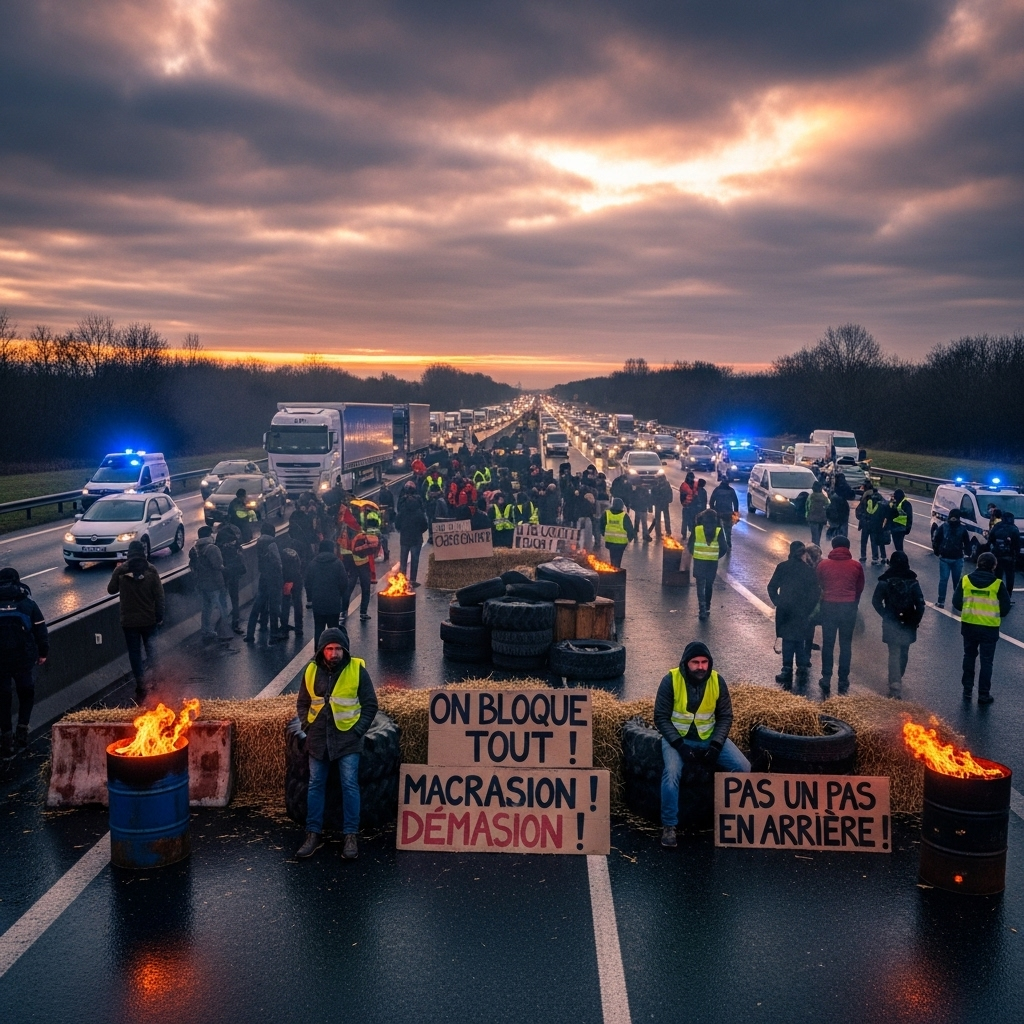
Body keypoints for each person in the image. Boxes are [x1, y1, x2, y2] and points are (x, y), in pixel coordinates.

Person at [653, 640, 751, 848]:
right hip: (677, 739)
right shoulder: (670, 680)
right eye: (696, 662)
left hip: (709, 737)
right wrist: (680, 746)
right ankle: (669, 826)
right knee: (671, 775)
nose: (701, 667)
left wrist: (716, 745)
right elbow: (661, 717)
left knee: (743, 768)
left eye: (705, 662)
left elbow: (725, 716)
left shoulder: (717, 681)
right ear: (685, 663)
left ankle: (730, 819)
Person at [295, 626, 378, 861]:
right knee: (315, 785)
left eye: (338, 648)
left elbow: (370, 705)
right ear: (322, 650)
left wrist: (358, 732)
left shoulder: (357, 670)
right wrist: (306, 726)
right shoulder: (311, 670)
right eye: (329, 648)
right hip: (318, 738)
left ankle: (350, 835)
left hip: (347, 739)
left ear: (345, 649)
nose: (334, 653)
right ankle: (313, 834)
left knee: (350, 785)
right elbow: (302, 702)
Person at [0, 567, 48, 757]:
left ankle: (6, 737)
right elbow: (40, 630)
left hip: (1, 661)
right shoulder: (27, 602)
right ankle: (22, 732)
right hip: (23, 658)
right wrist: (43, 652)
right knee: (26, 693)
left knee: (3, 697)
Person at [107, 540, 164, 697]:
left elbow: (111, 590)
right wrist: (159, 616)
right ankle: (156, 680)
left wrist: (116, 572)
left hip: (129, 621)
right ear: (143, 552)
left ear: (129, 553)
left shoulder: (121, 571)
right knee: (152, 650)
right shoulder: (151, 570)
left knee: (135, 653)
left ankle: (140, 683)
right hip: (149, 619)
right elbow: (159, 596)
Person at [953, 552, 1011, 704]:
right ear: (994, 566)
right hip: (989, 628)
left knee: (969, 656)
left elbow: (956, 603)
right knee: (987, 662)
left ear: (977, 564)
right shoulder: (998, 584)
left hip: (969, 626)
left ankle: (967, 691)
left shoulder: (966, 580)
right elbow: (1005, 609)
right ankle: (983, 695)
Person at [767, 540, 821, 688]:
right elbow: (816, 593)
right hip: (802, 610)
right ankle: (802, 666)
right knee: (800, 638)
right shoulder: (809, 571)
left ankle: (787, 669)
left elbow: (771, 587)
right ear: (803, 554)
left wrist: (778, 602)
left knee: (788, 639)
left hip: (786, 609)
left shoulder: (782, 567)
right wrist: (808, 608)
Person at [871, 551, 925, 699]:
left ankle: (894, 682)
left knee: (893, 652)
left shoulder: (884, 581)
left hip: (891, 622)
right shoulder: (913, 582)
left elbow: (875, 601)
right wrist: (915, 620)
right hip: (908, 622)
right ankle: (898, 678)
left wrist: (886, 615)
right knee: (904, 652)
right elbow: (920, 605)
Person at [815, 536, 864, 694]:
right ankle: (843, 679)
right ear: (848, 548)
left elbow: (818, 585)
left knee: (828, 644)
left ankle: (826, 677)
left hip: (828, 607)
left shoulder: (823, 565)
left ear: (833, 547)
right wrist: (853, 603)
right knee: (845, 645)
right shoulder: (856, 566)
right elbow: (859, 588)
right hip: (848, 608)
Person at [189, 525, 233, 643]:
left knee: (207, 608)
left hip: (202, 584)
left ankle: (206, 630)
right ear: (209, 535)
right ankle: (223, 632)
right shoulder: (212, 548)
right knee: (221, 608)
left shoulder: (195, 549)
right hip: (215, 583)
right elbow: (218, 565)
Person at [245, 522, 285, 644]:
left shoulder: (260, 542)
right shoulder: (272, 543)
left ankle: (250, 634)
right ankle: (274, 634)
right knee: (274, 606)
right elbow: (278, 561)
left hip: (263, 577)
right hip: (274, 578)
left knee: (258, 605)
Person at [305, 540, 351, 641]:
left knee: (318, 629)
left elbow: (307, 582)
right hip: (333, 603)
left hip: (318, 602)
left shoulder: (313, 563)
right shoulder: (338, 563)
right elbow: (344, 583)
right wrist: (342, 599)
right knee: (333, 631)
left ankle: (318, 653)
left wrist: (310, 598)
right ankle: (331, 653)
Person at [687, 508, 726, 621]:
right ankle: (708, 607)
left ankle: (702, 608)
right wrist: (715, 555)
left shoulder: (697, 529)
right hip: (712, 562)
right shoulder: (718, 530)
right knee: (709, 584)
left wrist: (695, 553)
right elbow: (724, 547)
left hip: (699, 561)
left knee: (700, 584)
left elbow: (690, 544)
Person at [933, 508, 971, 608]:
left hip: (944, 557)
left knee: (943, 580)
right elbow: (967, 543)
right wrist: (968, 553)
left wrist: (937, 552)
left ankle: (941, 601)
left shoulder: (943, 527)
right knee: (957, 582)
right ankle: (957, 602)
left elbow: (936, 540)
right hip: (957, 557)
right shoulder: (962, 529)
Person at [215, 523, 246, 634]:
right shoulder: (235, 544)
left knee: (222, 600)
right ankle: (235, 624)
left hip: (223, 574)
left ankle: (222, 625)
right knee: (235, 599)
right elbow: (240, 556)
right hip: (234, 574)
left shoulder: (219, 543)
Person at [394, 488, 429, 583]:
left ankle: (403, 579)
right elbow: (425, 526)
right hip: (416, 539)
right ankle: (413, 580)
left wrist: (402, 530)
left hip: (404, 539)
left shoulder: (402, 511)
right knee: (415, 560)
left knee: (403, 560)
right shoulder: (419, 512)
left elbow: (397, 524)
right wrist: (419, 532)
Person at [350, 518, 381, 622]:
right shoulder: (362, 535)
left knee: (350, 588)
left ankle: (343, 611)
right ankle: (363, 612)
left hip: (352, 562)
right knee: (365, 588)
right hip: (362, 563)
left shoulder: (349, 530)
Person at [988, 510, 1020, 602]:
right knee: (1010, 577)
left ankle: (997, 595)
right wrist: (1016, 556)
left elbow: (990, 539)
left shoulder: (997, 527)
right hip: (1009, 557)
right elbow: (1017, 545)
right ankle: (1007, 597)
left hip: (997, 555)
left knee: (997, 576)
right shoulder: (1014, 529)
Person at [278, 536, 305, 636]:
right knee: (297, 602)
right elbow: (303, 561)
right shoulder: (300, 544)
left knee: (285, 602)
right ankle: (299, 627)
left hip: (286, 580)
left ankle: (284, 626)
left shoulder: (280, 546)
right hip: (297, 578)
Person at [708, 478, 739, 551]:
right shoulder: (731, 491)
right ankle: (728, 542)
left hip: (718, 512)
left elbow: (712, 501)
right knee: (728, 528)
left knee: (718, 528)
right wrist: (735, 511)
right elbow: (735, 501)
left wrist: (713, 509)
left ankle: (720, 543)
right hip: (728, 513)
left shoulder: (717, 490)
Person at [887, 489, 913, 554]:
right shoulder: (896, 502)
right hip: (896, 527)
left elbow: (909, 517)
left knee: (898, 545)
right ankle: (900, 556)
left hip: (900, 528)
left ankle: (901, 558)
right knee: (897, 545)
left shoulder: (905, 504)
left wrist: (908, 527)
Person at [805, 481, 830, 547]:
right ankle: (818, 545)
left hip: (812, 518)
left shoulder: (811, 496)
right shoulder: (824, 497)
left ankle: (814, 548)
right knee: (819, 533)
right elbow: (828, 505)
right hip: (821, 518)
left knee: (814, 535)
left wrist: (807, 515)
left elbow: (807, 507)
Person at [678, 472, 696, 538]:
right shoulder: (694, 486)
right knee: (690, 520)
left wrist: (684, 503)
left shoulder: (684, 485)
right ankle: (688, 533)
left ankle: (685, 534)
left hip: (688, 506)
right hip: (690, 506)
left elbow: (681, 496)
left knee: (686, 520)